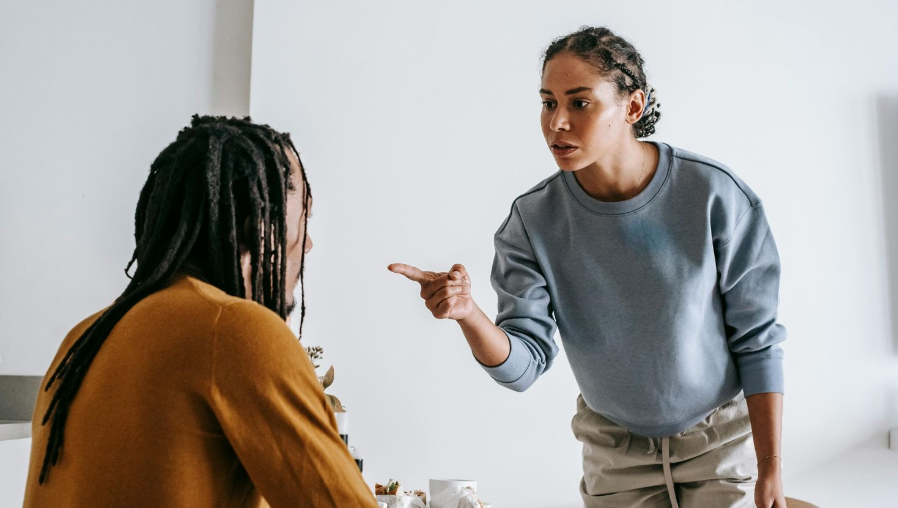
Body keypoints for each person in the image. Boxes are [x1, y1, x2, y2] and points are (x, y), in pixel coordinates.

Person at [390, 26, 787, 508]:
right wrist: (469, 313)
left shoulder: (715, 197)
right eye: (547, 102)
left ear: (632, 107)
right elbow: (523, 368)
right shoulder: (531, 223)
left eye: (579, 103)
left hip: (722, 449)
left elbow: (758, 341)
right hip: (615, 459)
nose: (556, 122)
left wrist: (770, 471)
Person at [24, 115, 377, 507]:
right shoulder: (237, 331)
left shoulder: (83, 338)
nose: (307, 244)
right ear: (259, 227)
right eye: (303, 218)